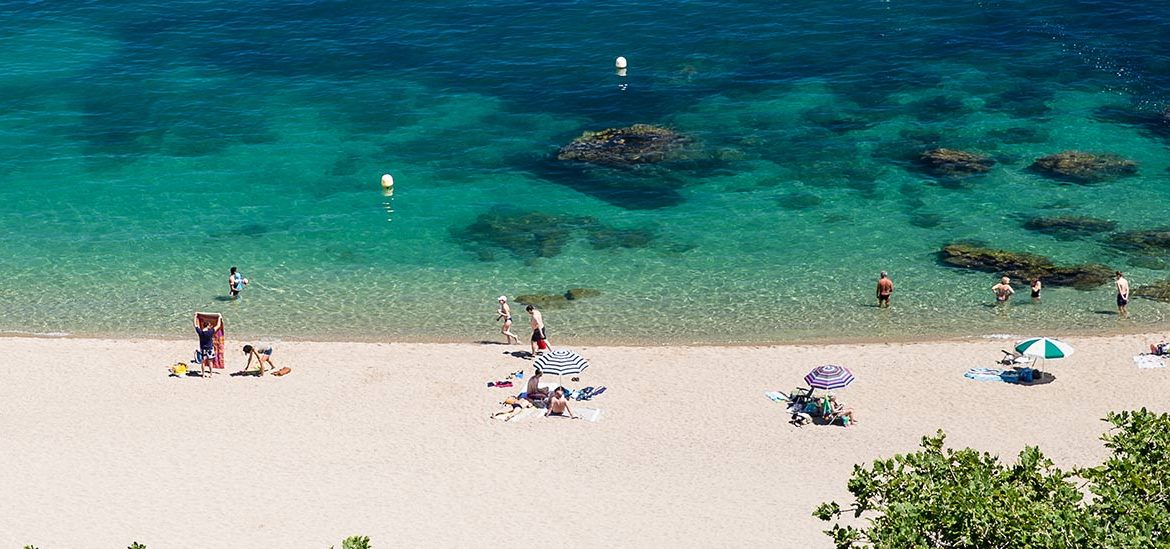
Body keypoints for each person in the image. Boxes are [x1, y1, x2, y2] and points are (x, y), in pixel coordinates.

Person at [193, 313, 222, 378]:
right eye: (210, 325)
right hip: (210, 349)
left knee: (203, 362)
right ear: (208, 326)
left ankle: (203, 374)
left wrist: (195, 316)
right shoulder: (210, 332)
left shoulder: (200, 332)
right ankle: (211, 374)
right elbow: (218, 325)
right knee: (210, 362)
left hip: (203, 349)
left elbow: (195, 325)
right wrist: (219, 317)